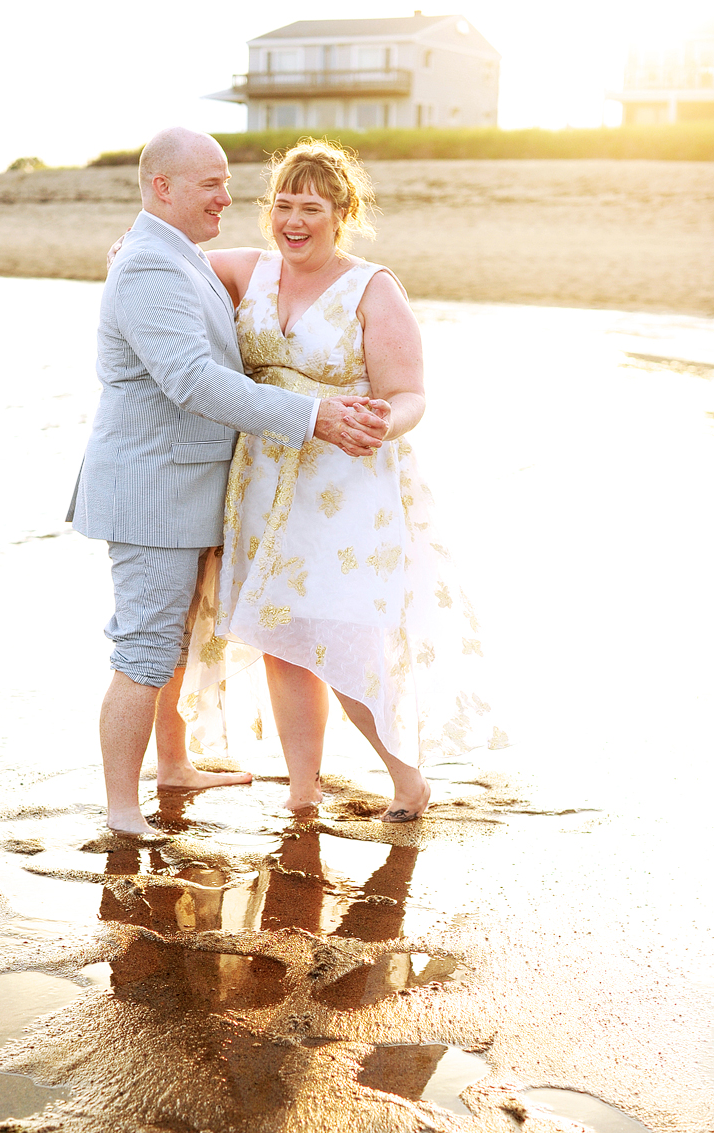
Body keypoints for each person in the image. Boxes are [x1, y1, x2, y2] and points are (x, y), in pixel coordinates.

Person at [67, 128, 388, 837]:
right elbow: (191, 379)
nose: (227, 195)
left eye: (226, 181)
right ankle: (123, 813)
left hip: (189, 486)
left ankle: (173, 767)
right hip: (154, 490)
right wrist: (315, 417)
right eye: (211, 182)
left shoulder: (172, 255)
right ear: (164, 189)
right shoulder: (153, 266)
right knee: (145, 649)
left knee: (170, 642)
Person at [173, 140, 507, 819]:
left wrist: (382, 424)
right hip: (262, 483)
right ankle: (304, 790)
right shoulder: (251, 270)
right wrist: (132, 249)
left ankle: (407, 777)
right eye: (283, 205)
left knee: (339, 636)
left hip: (345, 488)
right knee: (281, 636)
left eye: (312, 208)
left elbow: (410, 393)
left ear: (342, 213)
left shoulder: (370, 286)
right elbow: (170, 261)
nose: (294, 221)